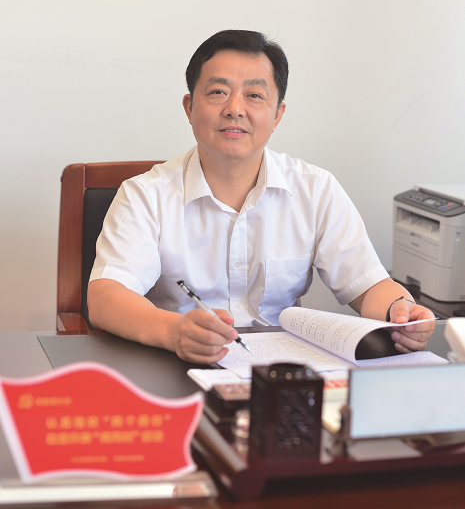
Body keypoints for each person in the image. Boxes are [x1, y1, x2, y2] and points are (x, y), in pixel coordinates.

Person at [88, 29, 435, 365]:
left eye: (254, 95)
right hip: (176, 364)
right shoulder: (144, 195)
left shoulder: (315, 190)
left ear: (277, 114)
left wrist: (400, 312)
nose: (235, 109)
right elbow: (106, 297)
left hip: (282, 373)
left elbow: (369, 286)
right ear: (189, 107)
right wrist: (175, 331)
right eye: (218, 92)